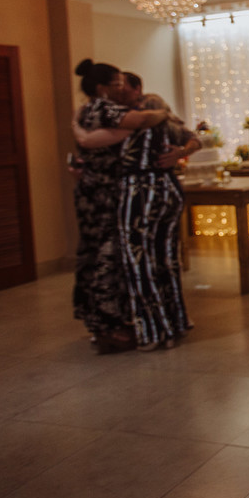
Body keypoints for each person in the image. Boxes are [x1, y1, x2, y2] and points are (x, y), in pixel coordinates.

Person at [71, 60, 169, 353]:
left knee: (93, 254)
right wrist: (163, 111)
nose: (121, 88)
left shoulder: (87, 111)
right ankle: (109, 327)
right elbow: (140, 121)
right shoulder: (103, 108)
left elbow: (90, 141)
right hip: (104, 195)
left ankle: (100, 324)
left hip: (93, 191)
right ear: (103, 88)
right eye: (116, 83)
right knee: (108, 257)